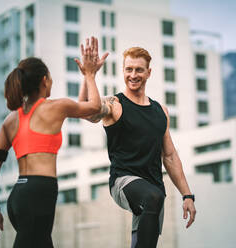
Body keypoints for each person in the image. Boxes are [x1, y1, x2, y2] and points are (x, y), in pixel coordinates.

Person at [0, 37, 108, 247]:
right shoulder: (55, 107)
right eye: (50, 78)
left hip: (18, 196)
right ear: (44, 80)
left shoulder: (10, 120)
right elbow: (95, 107)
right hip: (38, 194)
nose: (51, 82)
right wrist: (89, 74)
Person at [78, 47, 196, 248]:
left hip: (153, 191)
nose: (133, 75)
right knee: (152, 197)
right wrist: (89, 75)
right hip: (123, 181)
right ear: (122, 71)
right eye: (128, 69)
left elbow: (169, 156)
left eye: (139, 70)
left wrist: (187, 195)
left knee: (143, 241)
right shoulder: (114, 104)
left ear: (149, 72)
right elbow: (86, 111)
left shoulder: (161, 111)